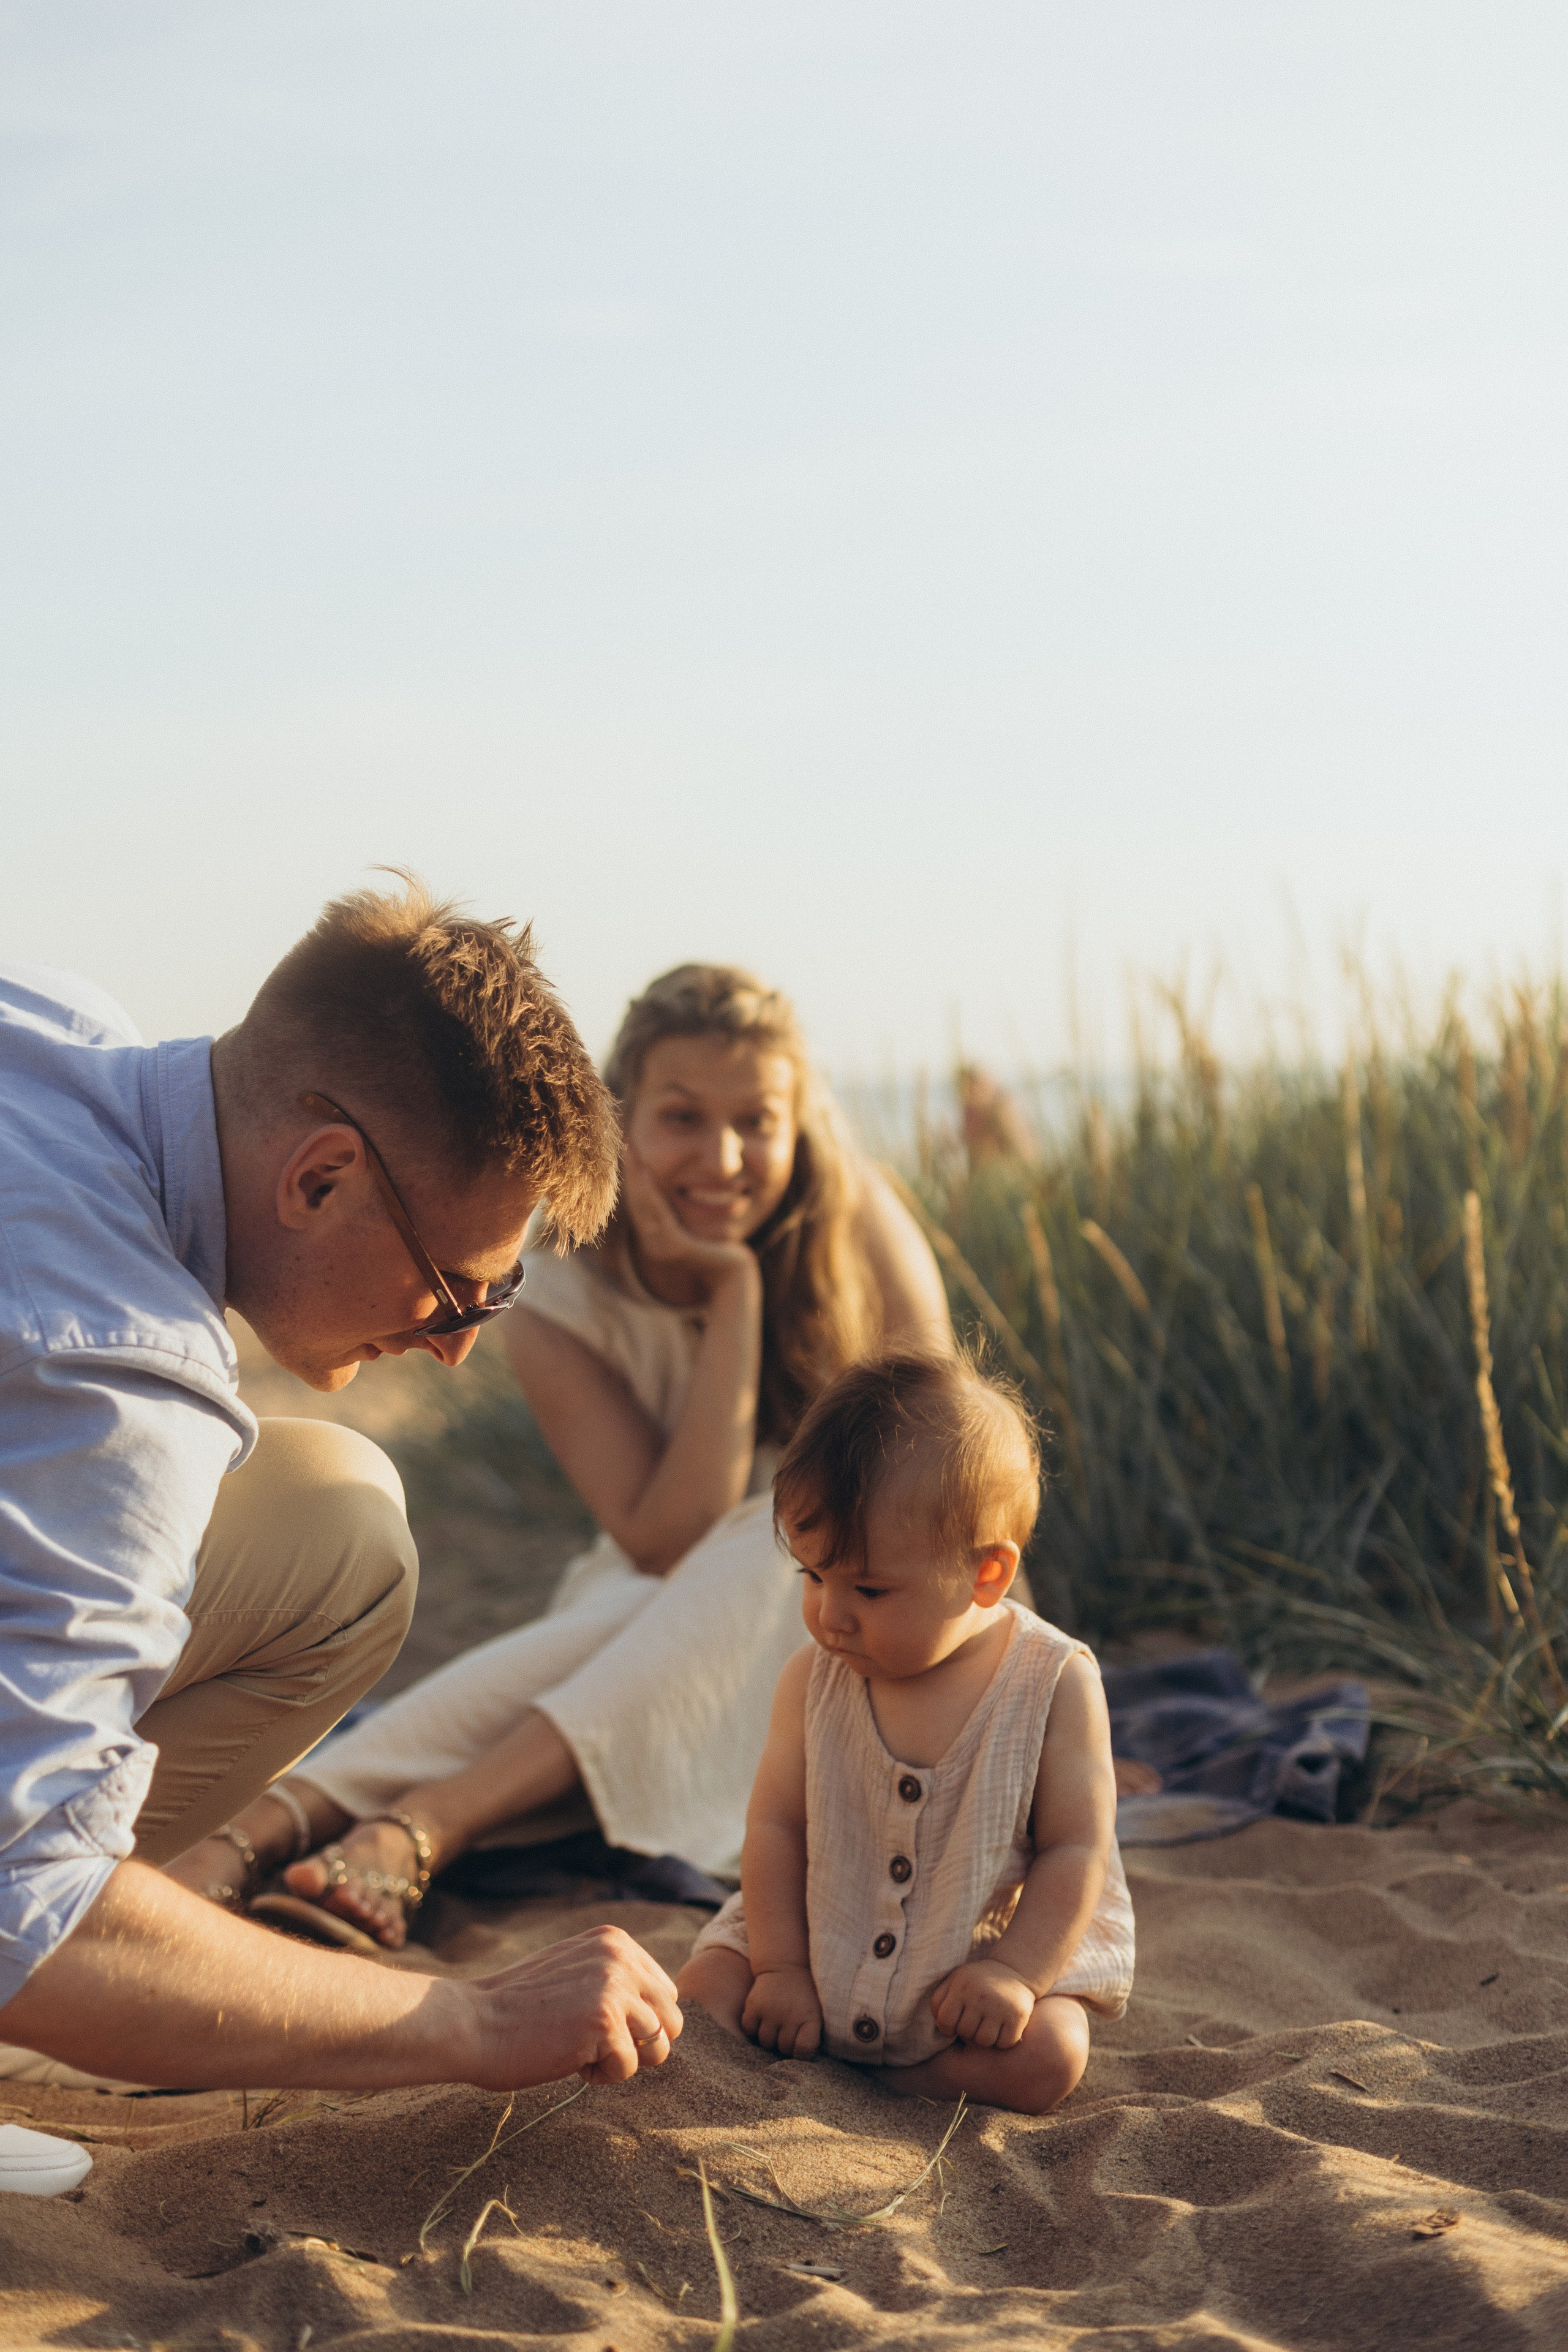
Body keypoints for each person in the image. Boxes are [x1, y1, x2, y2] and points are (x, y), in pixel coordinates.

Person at [0, 878, 682, 2091]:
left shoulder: (51, 1025)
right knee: (347, 1551)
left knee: (335, 1521)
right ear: (320, 1180)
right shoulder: (122, 1381)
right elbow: (23, 1918)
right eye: (456, 1288)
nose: (461, 1343)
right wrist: (469, 2022)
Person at [246, 965, 954, 1950]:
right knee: (644, 1609)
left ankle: (417, 1826)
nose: (724, 1156)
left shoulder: (855, 1220)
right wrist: (731, 1302)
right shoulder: (557, 1291)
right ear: (620, 1122)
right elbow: (668, 1541)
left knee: (791, 1541)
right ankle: (249, 1835)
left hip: (852, 1609)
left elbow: (952, 1473)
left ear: (800, 1125)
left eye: (757, 1121)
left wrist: (739, 1291)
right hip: (654, 1596)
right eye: (682, 1118)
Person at [677, 1351, 1136, 2116]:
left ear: (985, 1576)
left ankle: (901, 2087)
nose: (831, 1614)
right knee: (703, 1988)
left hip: (966, 1968)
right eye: (812, 1577)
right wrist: (782, 1968)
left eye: (869, 1588)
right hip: (818, 1931)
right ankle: (792, 2059)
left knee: (1053, 2055)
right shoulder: (812, 1680)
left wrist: (1016, 1974)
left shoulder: (1053, 1683)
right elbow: (776, 1827)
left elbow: (1075, 1849)